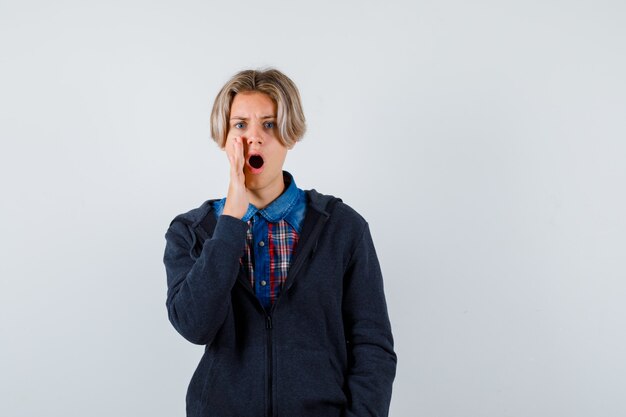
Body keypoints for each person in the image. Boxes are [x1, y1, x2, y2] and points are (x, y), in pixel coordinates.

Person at [163, 68, 397, 417]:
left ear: (290, 135)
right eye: (240, 124)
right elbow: (195, 326)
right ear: (224, 136)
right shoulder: (192, 230)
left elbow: (372, 345)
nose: (253, 138)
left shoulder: (343, 227)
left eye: (269, 125)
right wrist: (231, 219)